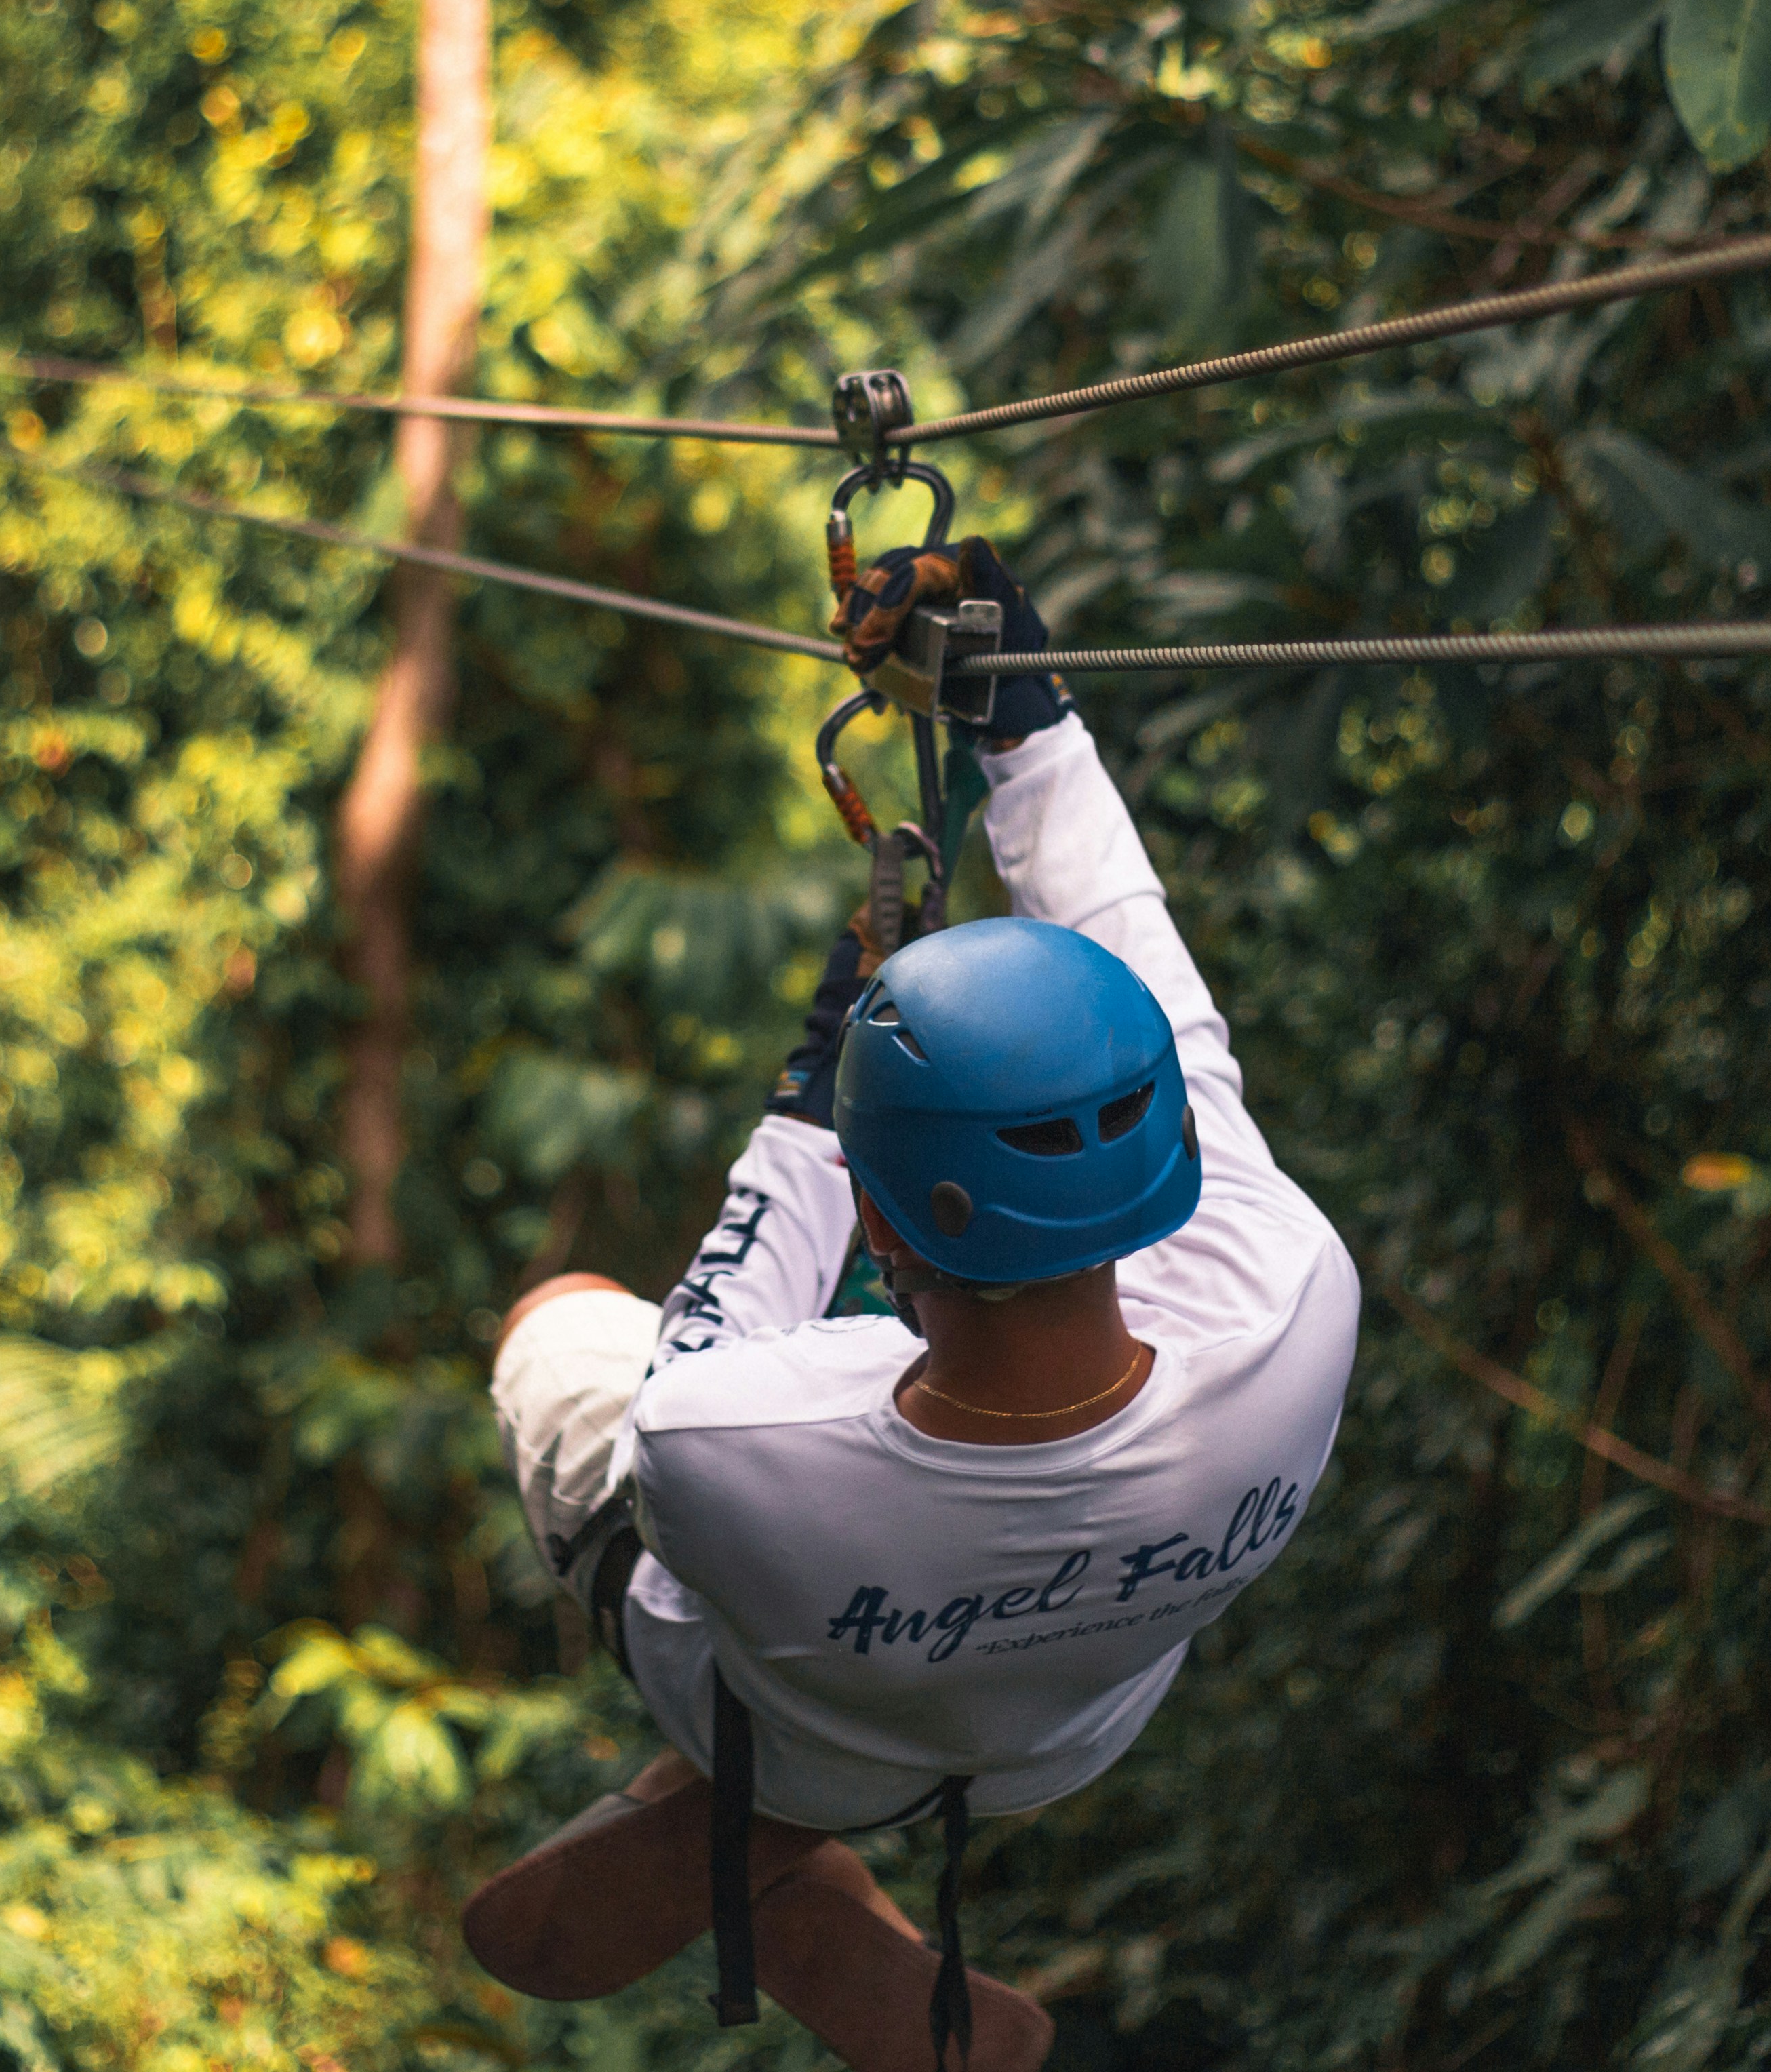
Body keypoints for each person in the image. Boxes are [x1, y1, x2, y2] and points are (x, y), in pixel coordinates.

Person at [463, 536, 1364, 2070]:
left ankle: (775, 1818)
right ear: (1166, 1163)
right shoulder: (1291, 1298)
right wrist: (1028, 720)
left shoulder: (736, 1445)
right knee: (833, 1612)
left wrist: (822, 1078)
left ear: (885, 1225)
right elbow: (1162, 992)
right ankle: (806, 1851)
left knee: (561, 1318)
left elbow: (700, 1356)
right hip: (1062, 1733)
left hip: (797, 1709)